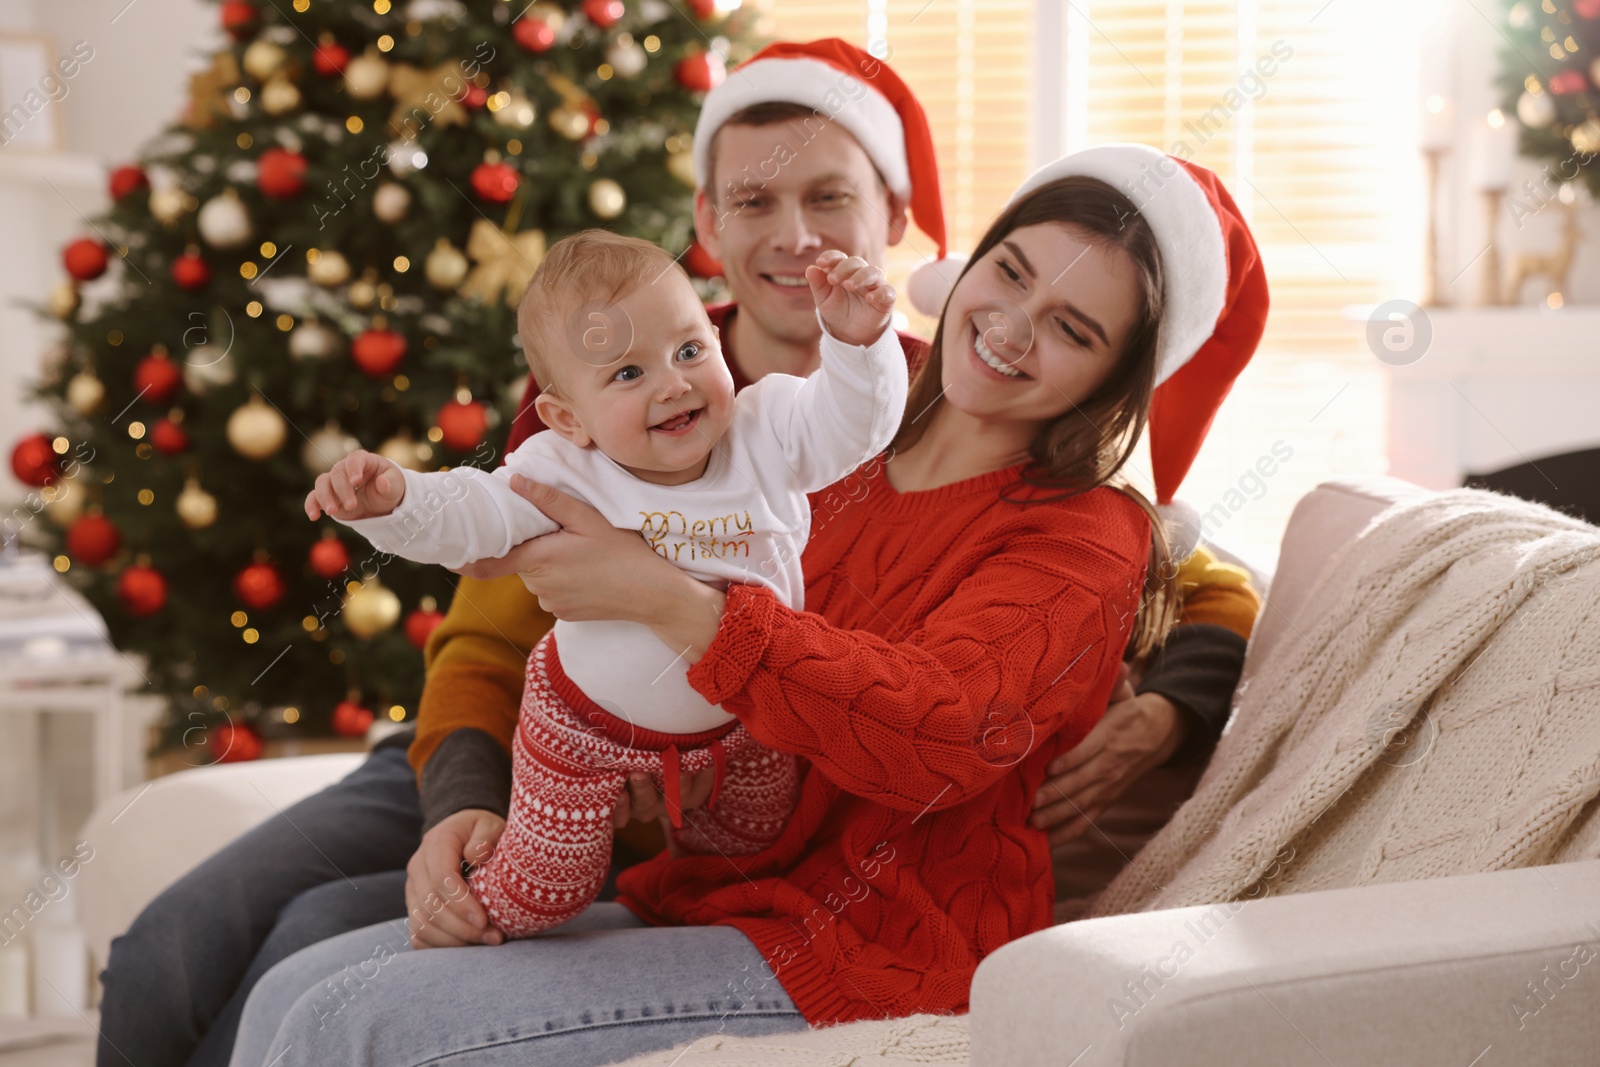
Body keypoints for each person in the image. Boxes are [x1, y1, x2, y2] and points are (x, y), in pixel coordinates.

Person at [96, 39, 1256, 1067]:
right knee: (308, 977)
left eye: (1074, 327)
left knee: (348, 1021)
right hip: (686, 858)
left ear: (1115, 374)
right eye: (1011, 273)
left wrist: (672, 605)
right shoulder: (798, 431)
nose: (1011, 327)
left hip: (861, 943)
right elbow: (526, 559)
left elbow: (944, 729)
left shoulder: (1069, 525)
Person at [307, 230, 906, 936]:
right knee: (544, 892)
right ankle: (470, 919)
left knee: (754, 857)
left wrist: (860, 347)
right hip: (581, 728)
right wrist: (398, 500)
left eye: (689, 350)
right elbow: (475, 515)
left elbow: (853, 425)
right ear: (567, 418)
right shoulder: (564, 470)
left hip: (746, 725)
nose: (673, 383)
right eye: (627, 374)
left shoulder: (766, 431)